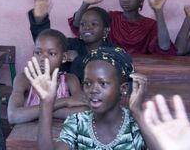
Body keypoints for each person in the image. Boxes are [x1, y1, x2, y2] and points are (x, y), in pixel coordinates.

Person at [26, 46, 155, 149]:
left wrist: (137, 112)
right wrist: (47, 103)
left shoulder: (137, 124)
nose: (93, 90)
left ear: (123, 88)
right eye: (87, 83)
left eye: (103, 83)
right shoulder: (77, 122)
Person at [69, 0, 176, 54]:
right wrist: (86, 3)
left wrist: (159, 12)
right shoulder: (111, 17)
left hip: (140, 71)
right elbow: (77, 25)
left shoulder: (150, 25)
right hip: (109, 67)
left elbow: (164, 47)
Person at [29, 0, 116, 80]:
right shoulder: (71, 44)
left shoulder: (113, 52)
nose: (86, 27)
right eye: (82, 24)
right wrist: (40, 21)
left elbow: (104, 76)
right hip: (64, 92)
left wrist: (77, 60)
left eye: (93, 24)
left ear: (105, 31)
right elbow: (46, 45)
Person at [7, 29, 86, 124]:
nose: (43, 58)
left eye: (51, 53)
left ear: (64, 57)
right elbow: (13, 116)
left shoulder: (70, 79)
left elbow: (84, 111)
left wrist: (38, 112)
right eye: (38, 52)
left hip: (60, 135)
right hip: (26, 134)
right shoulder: (24, 79)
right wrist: (64, 102)